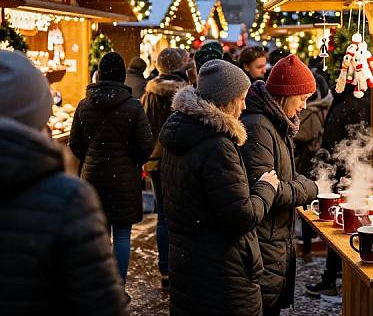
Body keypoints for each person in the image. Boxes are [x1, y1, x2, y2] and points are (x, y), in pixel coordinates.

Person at [0, 50, 127, 315]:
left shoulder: (85, 105)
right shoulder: (68, 199)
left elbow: (78, 142)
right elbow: (100, 303)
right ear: (40, 111)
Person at [159, 60, 279, 316]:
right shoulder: (217, 146)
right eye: (242, 98)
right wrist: (266, 189)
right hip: (222, 274)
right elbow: (240, 216)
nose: (245, 106)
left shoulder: (179, 133)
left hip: (187, 266)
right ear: (225, 100)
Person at [241, 54, 319, 316]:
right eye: (302, 99)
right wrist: (308, 189)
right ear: (286, 95)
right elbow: (267, 187)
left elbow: (280, 179)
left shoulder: (277, 122)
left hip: (274, 238)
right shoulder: (259, 126)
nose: (304, 106)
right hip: (264, 240)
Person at [69, 52, 153, 290]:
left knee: (99, 233)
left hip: (92, 177)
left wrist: (91, 159)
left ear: (100, 73)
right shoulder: (133, 106)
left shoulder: (84, 105)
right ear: (121, 75)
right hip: (124, 179)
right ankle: (119, 285)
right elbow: (146, 144)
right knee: (123, 234)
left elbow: (75, 143)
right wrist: (132, 161)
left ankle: (101, 284)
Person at [305, 84, 371, 300]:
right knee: (338, 229)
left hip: (349, 174)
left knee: (343, 229)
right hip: (340, 173)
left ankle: (335, 280)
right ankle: (332, 279)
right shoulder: (345, 98)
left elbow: (357, 138)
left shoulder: (356, 100)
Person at [141, 48, 190, 289]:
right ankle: (181, 267)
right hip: (179, 158)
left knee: (162, 215)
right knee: (181, 213)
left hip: (154, 160)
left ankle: (165, 270)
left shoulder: (149, 92)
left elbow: (142, 125)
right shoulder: (186, 91)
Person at [294, 71, 333, 262]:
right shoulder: (325, 105)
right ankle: (309, 246)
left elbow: (303, 134)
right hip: (313, 162)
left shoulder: (313, 111)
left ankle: (309, 249)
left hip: (310, 163)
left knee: (308, 206)